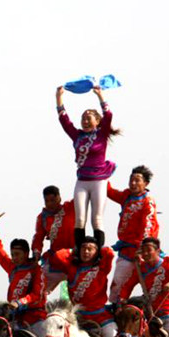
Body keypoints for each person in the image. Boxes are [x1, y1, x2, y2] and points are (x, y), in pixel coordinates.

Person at [55, 85, 121, 250]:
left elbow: (109, 114)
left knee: (96, 218)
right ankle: (80, 250)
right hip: (82, 181)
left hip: (99, 181)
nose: (85, 121)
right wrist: (59, 97)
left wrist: (100, 96)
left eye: (88, 118)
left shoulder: (101, 134)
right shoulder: (77, 135)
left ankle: (97, 252)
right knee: (80, 219)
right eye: (83, 118)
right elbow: (64, 119)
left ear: (97, 121)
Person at [46, 238, 118, 337]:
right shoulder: (72, 268)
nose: (86, 252)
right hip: (79, 319)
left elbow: (109, 253)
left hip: (101, 317)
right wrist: (74, 250)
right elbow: (57, 256)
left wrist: (99, 245)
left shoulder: (102, 267)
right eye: (83, 248)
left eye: (90, 249)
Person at [106, 165, 160, 303]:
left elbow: (147, 227)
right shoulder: (126, 196)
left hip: (144, 253)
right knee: (117, 285)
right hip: (126, 251)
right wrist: (101, 172)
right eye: (131, 180)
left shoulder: (148, 201)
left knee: (151, 287)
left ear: (146, 183)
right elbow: (110, 192)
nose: (133, 183)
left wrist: (142, 251)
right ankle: (115, 311)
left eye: (137, 180)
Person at [0, 212, 47, 327]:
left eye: (17, 254)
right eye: (12, 254)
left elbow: (36, 294)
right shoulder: (12, 268)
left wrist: (20, 302)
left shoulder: (37, 270)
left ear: (26, 253)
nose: (14, 258)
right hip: (15, 317)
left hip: (35, 317)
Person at [32, 185, 76, 293]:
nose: (50, 204)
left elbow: (84, 193)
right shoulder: (42, 217)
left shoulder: (71, 207)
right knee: (38, 289)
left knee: (80, 295)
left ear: (59, 198)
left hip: (75, 258)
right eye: (46, 201)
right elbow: (38, 238)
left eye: (53, 200)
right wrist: (36, 255)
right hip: (55, 261)